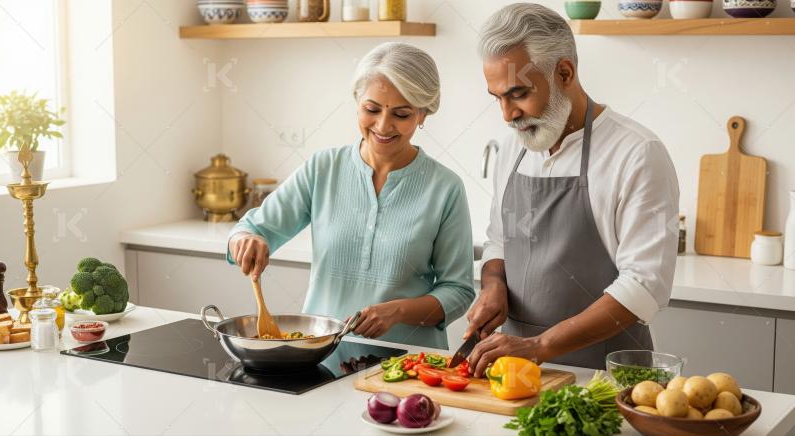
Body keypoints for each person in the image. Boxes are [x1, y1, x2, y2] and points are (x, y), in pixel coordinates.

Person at [466, 3, 680, 375]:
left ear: (564, 72)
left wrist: (540, 345)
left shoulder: (637, 153)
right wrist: (494, 285)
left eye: (518, 93)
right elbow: (500, 240)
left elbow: (644, 286)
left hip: (610, 377)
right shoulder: (512, 150)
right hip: (516, 373)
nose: (507, 114)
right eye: (497, 97)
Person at [227, 42, 475, 349]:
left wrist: (398, 311)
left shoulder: (445, 188)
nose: (383, 126)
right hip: (319, 356)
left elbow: (459, 291)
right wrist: (246, 240)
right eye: (372, 109)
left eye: (401, 114)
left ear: (423, 114)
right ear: (357, 102)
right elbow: (250, 229)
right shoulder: (323, 169)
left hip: (406, 363)